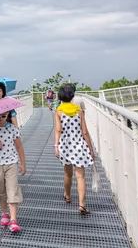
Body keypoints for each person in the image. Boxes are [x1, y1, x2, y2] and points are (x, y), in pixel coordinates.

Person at [0, 108, 26, 232]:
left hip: (11, 162)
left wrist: (23, 164)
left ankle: (13, 219)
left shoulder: (12, 128)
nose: (2, 118)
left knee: (12, 189)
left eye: (4, 115)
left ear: (7, 115)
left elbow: (19, 146)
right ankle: (5, 213)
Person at [54, 85, 94, 214]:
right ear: (72, 97)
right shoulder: (79, 112)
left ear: (60, 97)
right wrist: (90, 148)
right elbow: (85, 132)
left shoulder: (59, 112)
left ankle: (67, 195)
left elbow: (58, 130)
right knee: (80, 176)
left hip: (65, 145)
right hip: (79, 145)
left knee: (67, 173)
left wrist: (56, 146)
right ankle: (82, 204)